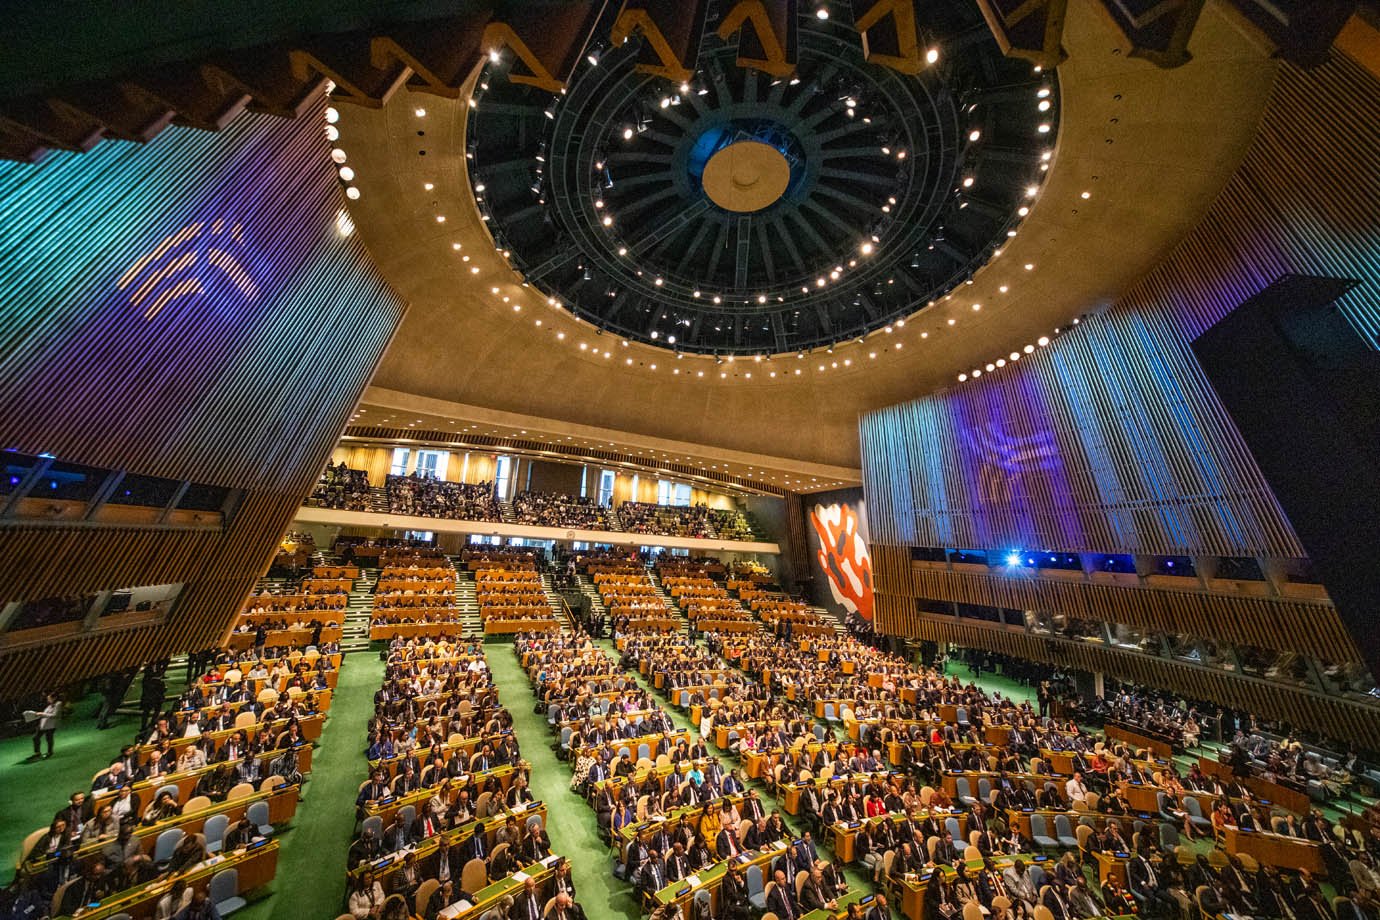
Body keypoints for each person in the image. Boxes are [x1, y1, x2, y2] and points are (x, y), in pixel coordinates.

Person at [29, 693, 60, 760]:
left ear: (54, 698)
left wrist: (42, 714)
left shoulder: (58, 704)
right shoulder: (49, 706)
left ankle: (49, 752)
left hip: (51, 725)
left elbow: (55, 715)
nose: (48, 700)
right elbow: (46, 715)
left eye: (49, 698)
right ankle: (37, 753)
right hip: (43, 725)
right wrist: (38, 715)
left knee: (49, 738)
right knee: (35, 738)